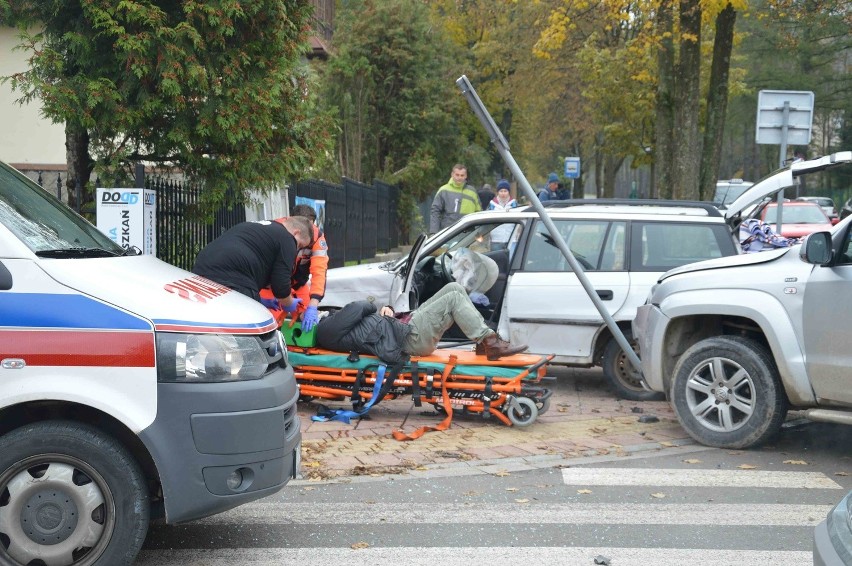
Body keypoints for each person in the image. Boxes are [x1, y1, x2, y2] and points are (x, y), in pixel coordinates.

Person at [315, 282, 527, 365]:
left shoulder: (331, 324)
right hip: (408, 338)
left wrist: (385, 311)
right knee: (453, 300)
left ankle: (483, 344)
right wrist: (378, 310)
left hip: (402, 329)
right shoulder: (324, 330)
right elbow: (362, 306)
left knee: (453, 288)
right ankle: (489, 341)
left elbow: (363, 312)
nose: (313, 311)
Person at [192, 217, 314, 311]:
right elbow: (281, 287)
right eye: (300, 245)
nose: (296, 249)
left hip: (202, 269)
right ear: (296, 233)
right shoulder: (287, 238)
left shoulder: (256, 226)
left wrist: (260, 300)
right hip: (233, 277)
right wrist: (288, 302)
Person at [273, 204, 329, 332]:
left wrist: (313, 305)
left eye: (310, 227)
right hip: (272, 286)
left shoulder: (317, 238)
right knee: (270, 322)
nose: (307, 231)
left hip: (298, 284)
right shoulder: (277, 229)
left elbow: (319, 271)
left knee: (309, 321)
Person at [430, 164, 481, 234]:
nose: (459, 177)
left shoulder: (472, 192)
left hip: (467, 234)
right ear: (452, 174)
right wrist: (433, 232)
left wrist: (478, 232)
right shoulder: (443, 190)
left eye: (462, 175)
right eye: (457, 175)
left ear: (466, 176)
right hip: (447, 233)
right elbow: (435, 212)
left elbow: (478, 213)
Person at [486, 179, 518, 251]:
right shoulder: (492, 204)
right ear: (498, 192)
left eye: (505, 191)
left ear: (509, 192)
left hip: (511, 238)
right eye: (501, 191)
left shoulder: (514, 204)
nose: (503, 193)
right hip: (496, 239)